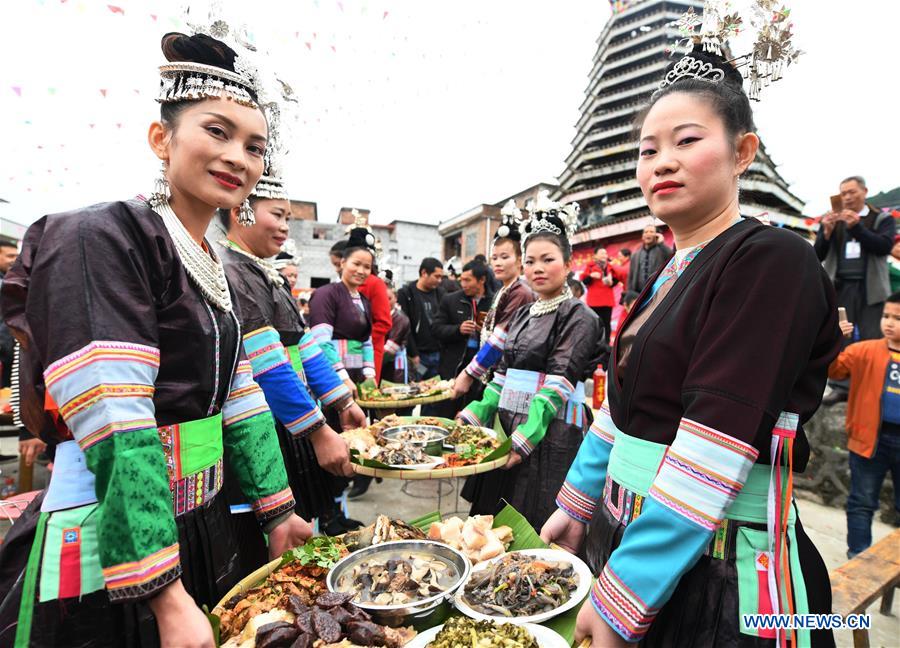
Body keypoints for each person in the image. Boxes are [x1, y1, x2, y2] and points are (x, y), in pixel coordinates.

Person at [0, 30, 312, 647]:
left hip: (205, 520)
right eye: (216, 131)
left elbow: (240, 394)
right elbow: (116, 416)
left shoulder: (212, 262)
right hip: (114, 546)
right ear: (161, 138)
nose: (238, 158)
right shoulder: (101, 236)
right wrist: (163, 592)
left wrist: (279, 512)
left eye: (254, 146)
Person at [540, 36, 841, 647]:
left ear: (743, 152)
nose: (661, 163)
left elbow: (717, 439)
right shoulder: (665, 276)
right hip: (634, 539)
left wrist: (628, 591)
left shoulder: (771, 260)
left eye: (688, 140)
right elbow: (621, 412)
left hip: (719, 570)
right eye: (648, 149)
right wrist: (574, 508)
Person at [217, 162, 367, 567]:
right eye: (278, 215)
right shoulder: (233, 271)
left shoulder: (266, 275)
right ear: (240, 211)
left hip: (292, 418)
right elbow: (269, 366)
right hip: (265, 425)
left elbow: (306, 349)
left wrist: (341, 404)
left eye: (288, 217)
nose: (286, 227)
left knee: (307, 532)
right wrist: (319, 433)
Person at [457, 191, 601, 530]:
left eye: (548, 259)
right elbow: (503, 376)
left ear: (568, 264)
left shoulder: (579, 317)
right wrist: (478, 412)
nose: (537, 268)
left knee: (534, 524)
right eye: (531, 261)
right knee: (491, 525)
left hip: (552, 433)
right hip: (508, 428)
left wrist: (527, 437)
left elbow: (558, 383)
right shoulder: (521, 314)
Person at [828, 294, 900, 558]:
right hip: (869, 438)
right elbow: (834, 370)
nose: (890, 323)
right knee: (861, 502)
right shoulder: (864, 350)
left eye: (898, 318)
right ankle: (858, 556)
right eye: (886, 316)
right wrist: (836, 338)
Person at [452, 200, 534, 397]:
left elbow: (501, 337)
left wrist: (469, 373)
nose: (498, 263)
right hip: (496, 372)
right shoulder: (504, 290)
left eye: (505, 257)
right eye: (495, 258)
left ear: (520, 259)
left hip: (508, 375)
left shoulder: (520, 291)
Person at [815, 176, 895, 342]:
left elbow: (884, 247)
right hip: (839, 286)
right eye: (843, 193)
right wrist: (826, 234)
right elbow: (817, 255)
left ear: (864, 192)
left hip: (872, 289)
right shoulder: (832, 219)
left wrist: (856, 228)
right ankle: (840, 367)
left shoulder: (882, 218)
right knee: (839, 335)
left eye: (852, 192)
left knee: (872, 337)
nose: (847, 197)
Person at [397, 258, 444, 379]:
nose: (439, 280)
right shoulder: (406, 294)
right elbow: (405, 327)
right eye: (436, 276)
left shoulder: (441, 293)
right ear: (424, 273)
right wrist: (413, 353)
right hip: (418, 355)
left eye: (441, 277)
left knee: (436, 390)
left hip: (437, 353)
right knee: (418, 388)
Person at [580, 246, 625, 346]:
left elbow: (617, 278)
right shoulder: (590, 266)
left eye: (605, 253)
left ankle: (606, 344)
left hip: (607, 300)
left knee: (606, 323)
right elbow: (584, 281)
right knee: (595, 324)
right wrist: (591, 276)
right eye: (601, 253)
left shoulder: (610, 267)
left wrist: (611, 282)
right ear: (595, 255)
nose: (604, 255)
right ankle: (595, 344)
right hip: (594, 301)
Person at [626, 224, 673, 293]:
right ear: (642, 236)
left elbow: (672, 257)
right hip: (639, 293)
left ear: (656, 235)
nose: (648, 234)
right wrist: (630, 292)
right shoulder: (635, 255)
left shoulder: (662, 250)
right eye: (646, 232)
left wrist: (661, 244)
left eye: (651, 232)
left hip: (658, 290)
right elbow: (631, 276)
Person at [382, 283, 411, 385]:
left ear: (396, 299)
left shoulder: (400, 319)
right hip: (383, 361)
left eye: (389, 298)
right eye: (382, 298)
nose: (385, 302)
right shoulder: (379, 315)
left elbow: (390, 350)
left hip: (393, 363)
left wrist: (372, 362)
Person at [0, 241, 17, 388]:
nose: (14, 260)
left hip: (8, 354)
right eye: (10, 256)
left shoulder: (11, 280)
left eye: (17, 256)